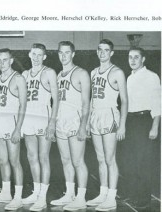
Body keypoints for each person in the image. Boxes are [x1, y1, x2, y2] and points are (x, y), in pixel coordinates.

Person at [87, 39, 128, 211]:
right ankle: (103, 194)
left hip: (110, 114)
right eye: (100, 50)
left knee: (110, 159)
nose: (102, 53)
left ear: (111, 53)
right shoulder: (93, 72)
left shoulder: (117, 72)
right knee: (100, 158)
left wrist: (122, 125)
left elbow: (125, 101)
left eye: (106, 50)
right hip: (96, 115)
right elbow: (91, 99)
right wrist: (88, 120)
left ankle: (112, 197)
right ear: (97, 52)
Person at [50, 41, 90, 211]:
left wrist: (83, 125)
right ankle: (70, 193)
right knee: (65, 160)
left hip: (75, 121)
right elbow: (57, 102)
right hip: (61, 121)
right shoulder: (59, 75)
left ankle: (81, 197)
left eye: (67, 53)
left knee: (77, 161)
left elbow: (86, 102)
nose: (63, 56)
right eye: (61, 53)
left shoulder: (81, 73)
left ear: (73, 54)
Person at [122, 47, 160, 210]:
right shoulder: (129, 78)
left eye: (136, 57)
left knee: (143, 162)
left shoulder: (151, 77)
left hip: (144, 121)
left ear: (143, 59)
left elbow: (158, 104)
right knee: (130, 161)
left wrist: (155, 127)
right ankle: (134, 194)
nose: (133, 60)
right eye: (130, 57)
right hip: (130, 121)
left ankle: (144, 198)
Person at [21, 43, 58, 211]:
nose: (36, 57)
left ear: (44, 57)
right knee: (31, 156)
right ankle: (36, 192)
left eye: (39, 55)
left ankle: (42, 197)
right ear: (29, 54)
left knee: (43, 157)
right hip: (29, 118)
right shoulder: (24, 74)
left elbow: (56, 101)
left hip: (43, 117)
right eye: (33, 54)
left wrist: (52, 123)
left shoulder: (49, 72)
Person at [0, 48, 27, 211]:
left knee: (14, 161)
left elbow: (23, 105)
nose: (2, 63)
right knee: (1, 160)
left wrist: (18, 128)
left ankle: (18, 197)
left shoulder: (18, 78)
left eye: (5, 60)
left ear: (11, 60)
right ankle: (6, 192)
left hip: (12, 124)